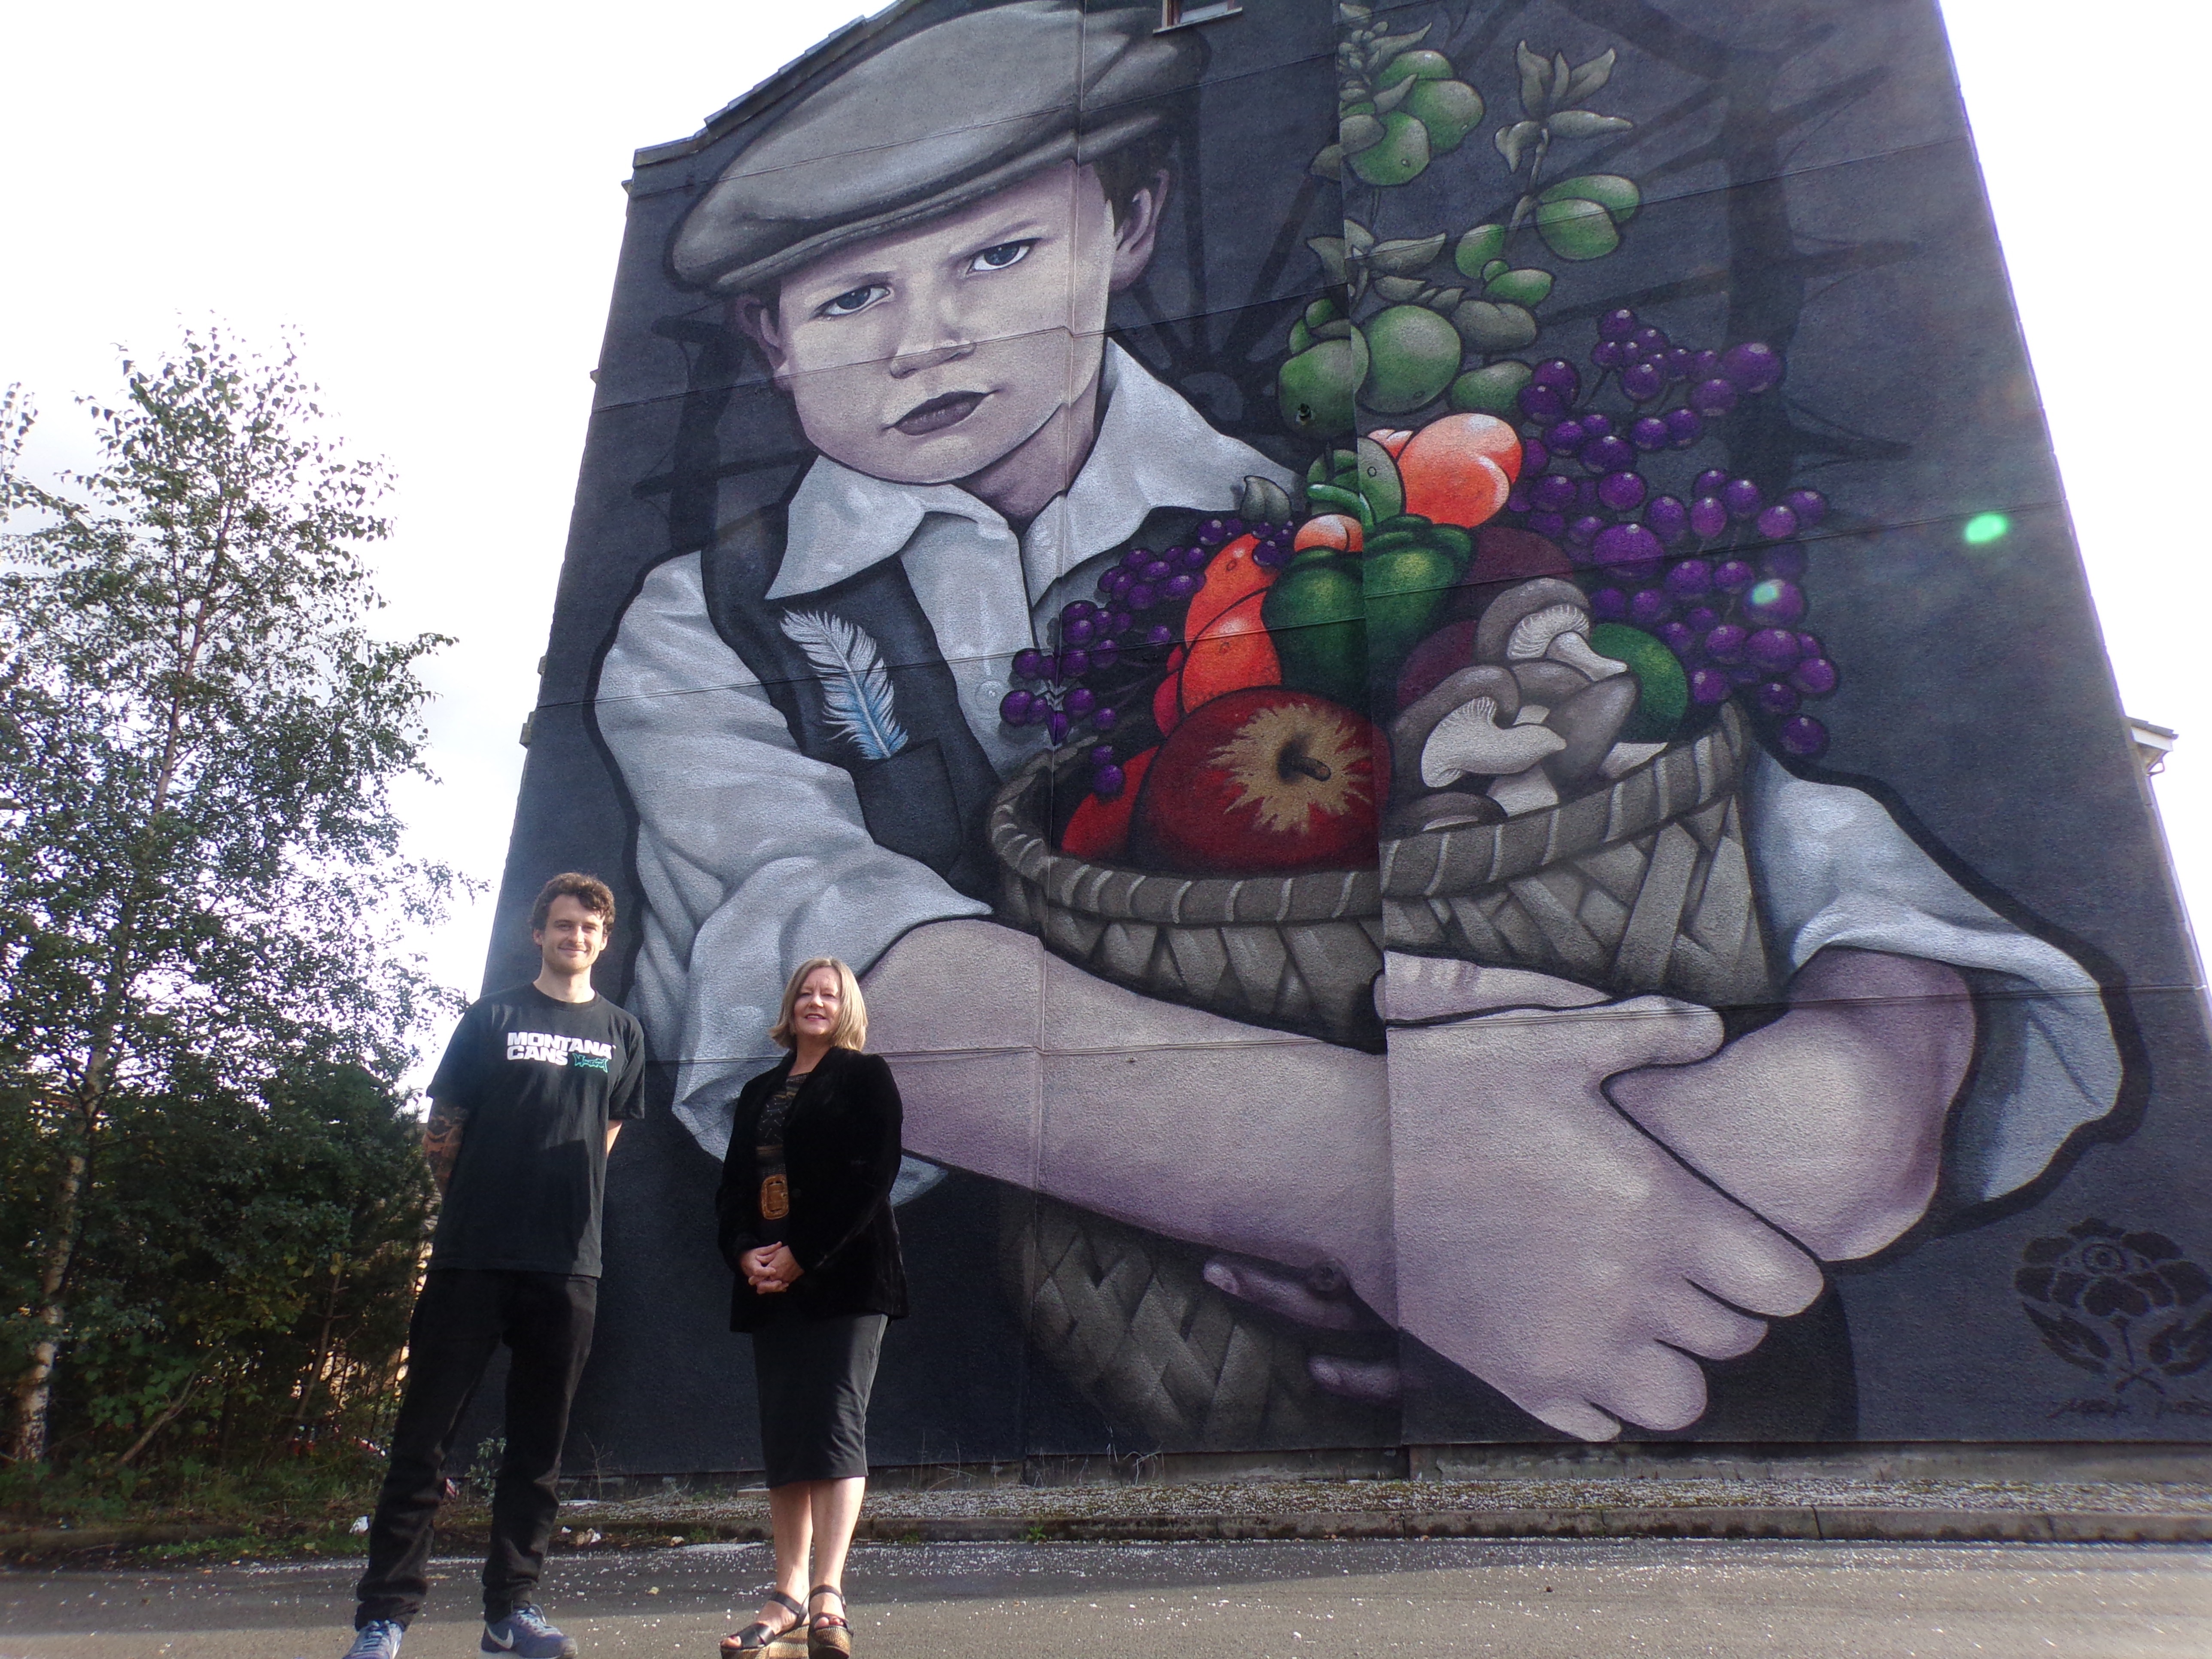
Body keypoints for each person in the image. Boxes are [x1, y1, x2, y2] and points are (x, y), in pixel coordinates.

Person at [595, 0, 2121, 1441]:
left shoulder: (1339, 515)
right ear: (768, 340)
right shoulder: (706, 624)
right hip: (977, 1391)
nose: (926, 337)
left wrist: (1849, 1084)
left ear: (1125, 232)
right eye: (852, 296)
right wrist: (1363, 1174)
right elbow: (803, 940)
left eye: (997, 256)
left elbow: (1737, 815)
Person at [342, 873, 647, 1659]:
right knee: (422, 1441)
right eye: (561, 925)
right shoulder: (493, 1017)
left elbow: (605, 1138)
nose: (573, 937)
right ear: (538, 934)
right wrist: (481, 1206)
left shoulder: (623, 1033)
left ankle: (509, 1615)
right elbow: (442, 1131)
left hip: (568, 1266)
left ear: (603, 939)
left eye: (587, 927)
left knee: (537, 1451)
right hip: (472, 1260)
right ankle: (384, 1620)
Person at [714, 958, 905, 1659]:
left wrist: (803, 1251)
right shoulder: (758, 1091)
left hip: (846, 1280)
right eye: (806, 992)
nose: (815, 1002)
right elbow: (734, 1187)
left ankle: (829, 1592)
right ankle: (785, 1594)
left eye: (830, 994)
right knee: (788, 1435)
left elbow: (871, 1177)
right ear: (790, 1005)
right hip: (770, 1284)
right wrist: (745, 1252)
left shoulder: (865, 1078)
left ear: (846, 1007)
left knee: (834, 1425)